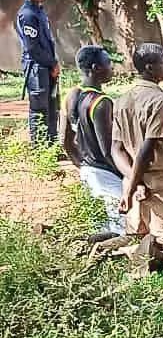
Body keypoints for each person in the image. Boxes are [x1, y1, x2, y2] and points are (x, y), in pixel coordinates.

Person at [112, 43, 163, 246]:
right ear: (150, 68)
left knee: (137, 244)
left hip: (133, 183)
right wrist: (132, 190)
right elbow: (147, 149)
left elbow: (117, 149)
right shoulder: (160, 101)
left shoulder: (121, 100)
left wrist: (133, 183)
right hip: (156, 186)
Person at [62, 45, 125, 236]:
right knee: (121, 232)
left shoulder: (71, 96)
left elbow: (64, 139)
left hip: (88, 172)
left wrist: (81, 164)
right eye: (108, 63)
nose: (112, 67)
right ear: (96, 68)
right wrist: (126, 176)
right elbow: (107, 150)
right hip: (107, 174)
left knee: (99, 229)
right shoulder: (101, 102)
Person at [16, 0, 59, 146]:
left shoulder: (39, 11)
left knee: (52, 107)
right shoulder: (27, 14)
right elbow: (32, 48)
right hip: (36, 67)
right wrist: (52, 64)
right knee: (39, 109)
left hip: (46, 65)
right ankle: (40, 148)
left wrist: (53, 63)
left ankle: (51, 145)